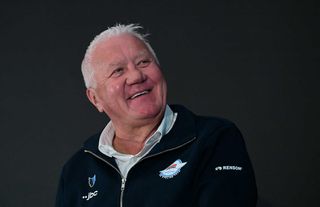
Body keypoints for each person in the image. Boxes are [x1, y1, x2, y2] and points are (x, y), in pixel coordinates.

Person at [56, 23, 257, 207]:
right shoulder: (77, 170)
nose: (136, 76)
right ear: (95, 99)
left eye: (144, 62)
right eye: (118, 70)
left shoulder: (214, 139)